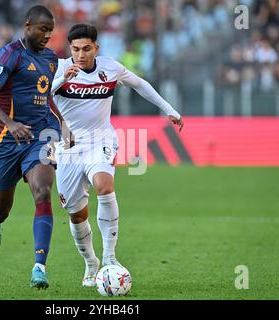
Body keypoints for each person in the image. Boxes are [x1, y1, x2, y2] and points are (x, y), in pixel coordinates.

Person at [51, 24, 183, 286]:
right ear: (70, 49)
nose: (81, 54)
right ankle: (91, 263)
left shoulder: (109, 67)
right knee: (76, 214)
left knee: (104, 184)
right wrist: (63, 78)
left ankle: (110, 257)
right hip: (67, 147)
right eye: (75, 49)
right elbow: (41, 95)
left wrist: (168, 109)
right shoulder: (59, 68)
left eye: (86, 48)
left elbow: (139, 84)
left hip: (100, 140)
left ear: (96, 48)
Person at [0, 5, 73, 289]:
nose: (47, 36)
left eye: (50, 32)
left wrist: (63, 124)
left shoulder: (50, 59)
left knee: (43, 191)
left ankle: (39, 268)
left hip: (40, 137)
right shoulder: (11, 54)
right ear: (27, 25)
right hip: (7, 140)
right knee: (1, 210)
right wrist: (11, 122)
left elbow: (46, 96)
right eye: (43, 30)